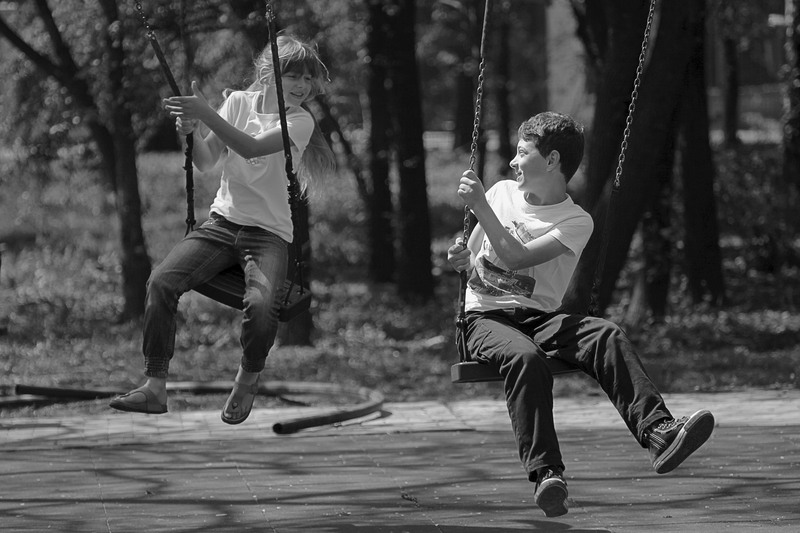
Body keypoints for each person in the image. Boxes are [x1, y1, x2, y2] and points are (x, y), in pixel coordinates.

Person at [446, 112, 714, 518]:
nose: (514, 162)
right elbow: (472, 261)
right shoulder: (500, 193)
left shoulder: (575, 221)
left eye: (522, 153)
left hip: (539, 318)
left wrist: (479, 205)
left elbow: (516, 256)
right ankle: (547, 474)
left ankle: (658, 432)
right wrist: (460, 257)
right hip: (486, 318)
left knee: (605, 333)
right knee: (525, 358)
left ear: (552, 160)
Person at [110, 35, 335, 425]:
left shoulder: (300, 121)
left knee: (262, 305)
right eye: (293, 76)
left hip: (268, 234)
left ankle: (247, 379)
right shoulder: (238, 103)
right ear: (268, 73)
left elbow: (250, 148)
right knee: (161, 281)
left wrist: (205, 113)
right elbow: (206, 160)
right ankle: (155, 386)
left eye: (307, 78)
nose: (302, 86)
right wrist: (193, 130)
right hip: (223, 223)